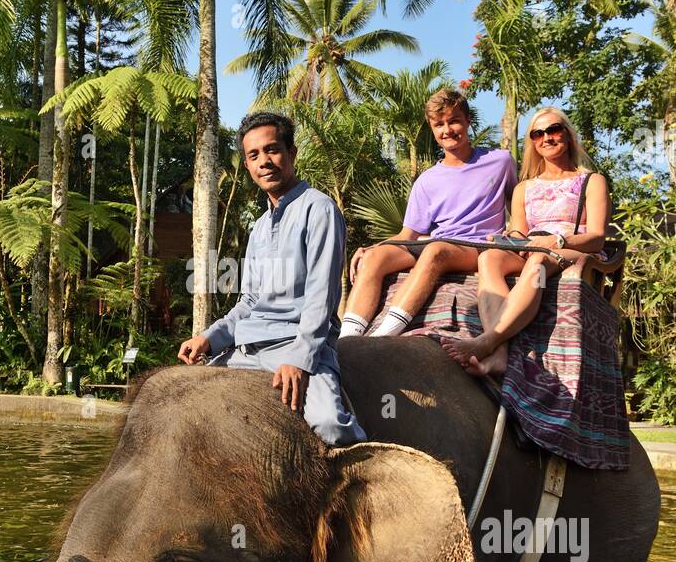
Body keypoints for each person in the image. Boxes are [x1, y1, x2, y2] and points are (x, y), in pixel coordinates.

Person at [178, 110, 366, 446]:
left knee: (330, 425)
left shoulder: (319, 209)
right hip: (246, 351)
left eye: (272, 150)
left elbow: (321, 297)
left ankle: (371, 477)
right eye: (254, 155)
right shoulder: (259, 229)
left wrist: (299, 359)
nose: (264, 161)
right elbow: (249, 302)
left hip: (297, 344)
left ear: (291, 153)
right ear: (248, 166)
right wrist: (208, 338)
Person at [439, 107, 610, 378]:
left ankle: (487, 340)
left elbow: (598, 236)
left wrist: (559, 239)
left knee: (538, 262)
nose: (547, 138)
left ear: (567, 135)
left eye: (554, 130)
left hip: (570, 246)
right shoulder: (523, 188)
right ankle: (499, 356)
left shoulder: (591, 181)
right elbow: (520, 232)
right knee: (489, 258)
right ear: (532, 142)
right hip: (531, 248)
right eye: (538, 133)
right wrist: (505, 240)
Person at [340, 90, 517, 339]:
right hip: (436, 243)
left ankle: (383, 336)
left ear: (468, 121)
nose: (447, 130)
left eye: (454, 120)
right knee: (375, 258)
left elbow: (517, 204)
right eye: (439, 124)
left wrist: (517, 233)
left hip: (475, 246)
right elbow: (408, 234)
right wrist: (371, 248)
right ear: (433, 129)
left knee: (436, 250)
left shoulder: (500, 161)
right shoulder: (427, 180)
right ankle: (347, 339)